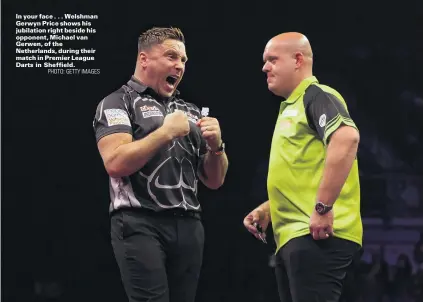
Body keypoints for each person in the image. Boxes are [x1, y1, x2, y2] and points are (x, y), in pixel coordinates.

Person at [93, 27, 228, 302]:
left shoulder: (190, 110)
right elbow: (115, 163)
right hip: (139, 222)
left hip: (190, 224)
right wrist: (165, 133)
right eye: (171, 56)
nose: (179, 65)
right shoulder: (117, 102)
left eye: (183, 60)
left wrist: (217, 147)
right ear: (144, 59)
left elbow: (214, 181)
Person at [243, 32, 363, 302]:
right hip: (295, 236)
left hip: (317, 234)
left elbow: (346, 138)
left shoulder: (317, 95)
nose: (264, 67)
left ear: (298, 60)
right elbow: (304, 170)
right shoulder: (291, 107)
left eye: (272, 59)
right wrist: (271, 208)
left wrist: (323, 207)